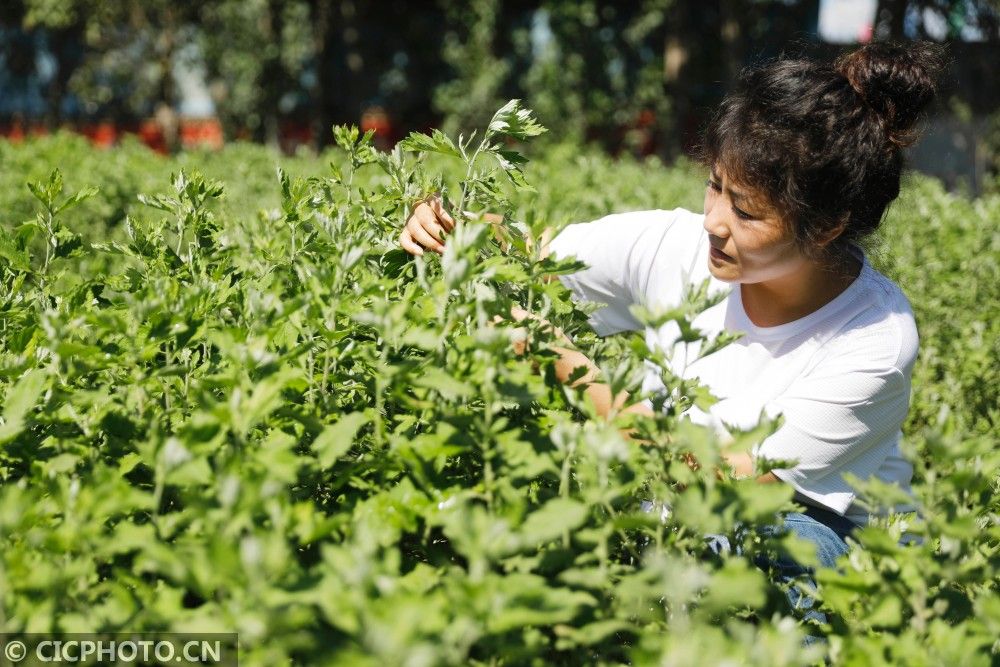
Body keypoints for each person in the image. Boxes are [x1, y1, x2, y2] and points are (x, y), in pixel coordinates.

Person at [399, 41, 943, 620]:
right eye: (715, 186)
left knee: (784, 545)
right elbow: (536, 257)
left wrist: (563, 361)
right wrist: (451, 229)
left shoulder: (874, 338)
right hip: (675, 524)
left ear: (828, 225)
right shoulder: (676, 246)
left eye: (748, 212)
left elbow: (729, 483)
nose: (714, 222)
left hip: (818, 541)